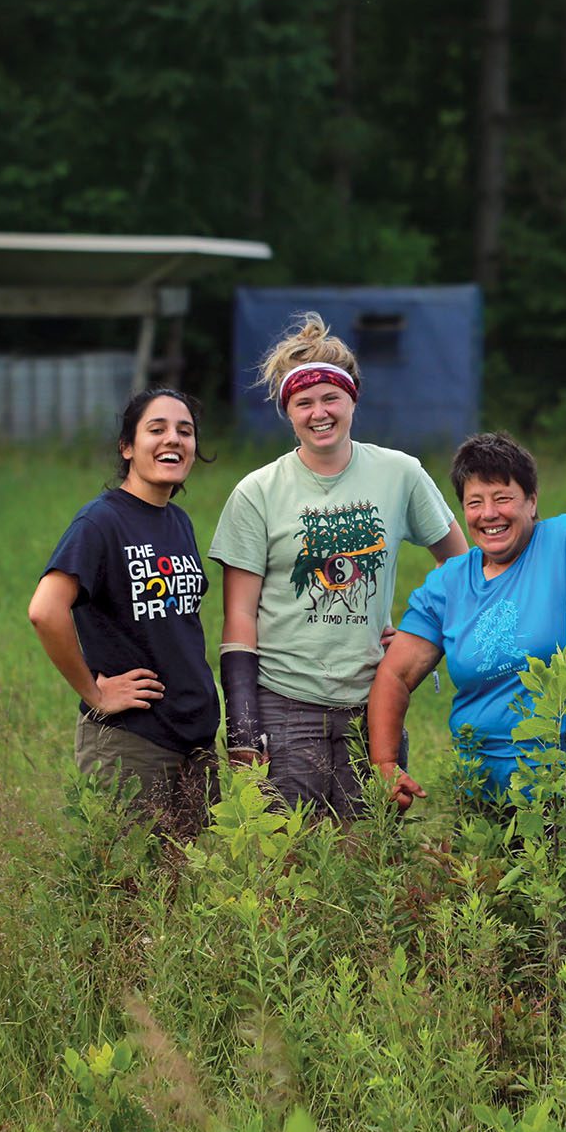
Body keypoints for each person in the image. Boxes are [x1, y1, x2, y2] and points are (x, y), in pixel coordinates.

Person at [210, 314, 468, 817]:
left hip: (373, 700)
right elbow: (239, 617)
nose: (319, 412)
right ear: (288, 411)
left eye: (331, 398)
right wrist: (242, 725)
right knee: (287, 863)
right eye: (303, 402)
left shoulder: (400, 474)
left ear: (353, 400)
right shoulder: (257, 492)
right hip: (284, 701)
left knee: (370, 857)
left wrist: (422, 632)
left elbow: (462, 565)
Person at [367, 431, 566, 809]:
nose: (489, 514)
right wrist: (386, 763)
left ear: (531, 502)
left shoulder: (565, 542)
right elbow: (395, 674)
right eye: (475, 502)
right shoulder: (448, 582)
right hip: (478, 786)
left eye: (503, 498)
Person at [28, 388, 220, 837]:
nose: (173, 439)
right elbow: (45, 610)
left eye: (185, 431)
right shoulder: (101, 521)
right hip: (133, 740)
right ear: (127, 447)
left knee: (186, 890)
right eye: (157, 429)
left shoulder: (178, 522)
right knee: (130, 890)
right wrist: (95, 694)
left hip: (193, 737)